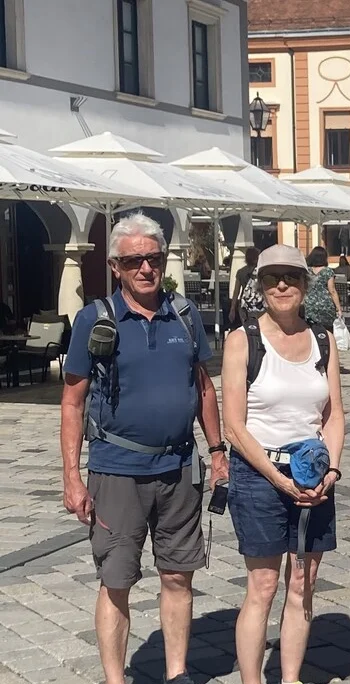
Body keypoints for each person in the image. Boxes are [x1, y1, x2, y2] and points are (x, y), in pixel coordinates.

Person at [59, 213, 225, 684]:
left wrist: (216, 451)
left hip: (178, 469)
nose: (146, 268)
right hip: (116, 472)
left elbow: (204, 387)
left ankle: (177, 673)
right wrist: (72, 477)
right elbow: (72, 402)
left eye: (152, 258)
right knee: (116, 582)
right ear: (116, 266)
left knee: (178, 576)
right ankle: (116, 679)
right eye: (134, 261)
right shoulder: (95, 320)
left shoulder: (186, 315)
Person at [221, 245, 345, 684]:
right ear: (260, 285)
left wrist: (330, 473)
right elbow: (233, 426)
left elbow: (333, 416)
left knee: (302, 584)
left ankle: (290, 679)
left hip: (314, 478)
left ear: (305, 284)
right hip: (259, 478)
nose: (282, 285)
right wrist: (278, 478)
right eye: (272, 277)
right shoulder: (242, 340)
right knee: (264, 586)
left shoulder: (323, 340)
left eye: (291, 277)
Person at [303, 246, 343, 332]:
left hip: (309, 304)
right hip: (325, 305)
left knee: (311, 330)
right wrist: (338, 308)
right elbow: (332, 290)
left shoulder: (307, 271)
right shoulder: (328, 271)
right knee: (327, 331)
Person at [229, 247, 262, 329]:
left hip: (244, 304)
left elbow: (236, 291)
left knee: (246, 328)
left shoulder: (241, 272)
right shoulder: (261, 271)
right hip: (259, 304)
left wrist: (232, 308)